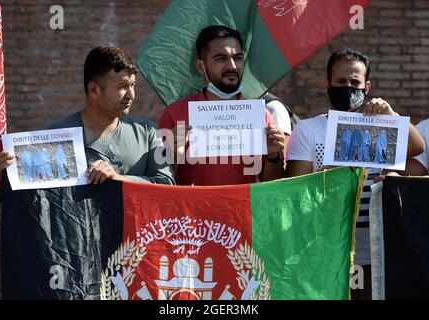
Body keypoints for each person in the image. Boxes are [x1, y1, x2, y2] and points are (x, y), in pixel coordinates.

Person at [286, 48, 424, 299]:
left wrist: (391, 115)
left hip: (375, 244)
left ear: (367, 86)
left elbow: (417, 146)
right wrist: (331, 175)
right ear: (327, 83)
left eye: (354, 82)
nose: (348, 88)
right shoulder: (308, 129)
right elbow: (295, 188)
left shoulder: (380, 126)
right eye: (340, 81)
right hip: (325, 245)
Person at [0, 46, 175, 186]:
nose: (131, 95)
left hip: (129, 236)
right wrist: (8, 176)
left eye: (133, 85)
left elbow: (165, 184)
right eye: (122, 86)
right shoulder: (55, 135)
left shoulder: (149, 133)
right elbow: (39, 200)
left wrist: (119, 179)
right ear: (94, 90)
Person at [158, 25, 285, 186]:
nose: (232, 66)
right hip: (193, 210)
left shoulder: (261, 115)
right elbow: (158, 184)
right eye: (221, 58)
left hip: (244, 209)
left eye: (238, 57)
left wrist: (273, 156)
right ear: (200, 66)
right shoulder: (174, 114)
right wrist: (171, 155)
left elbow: (274, 186)